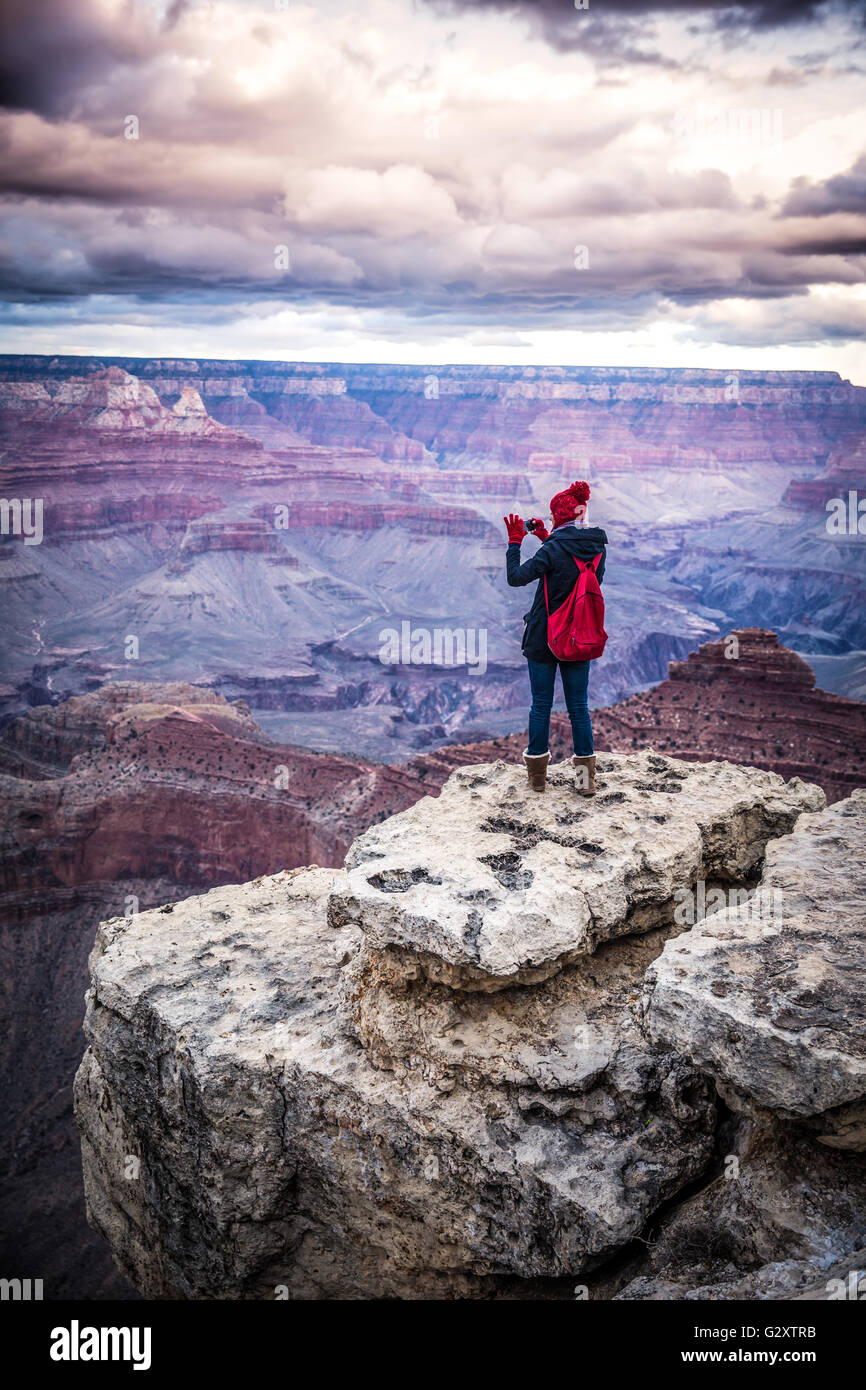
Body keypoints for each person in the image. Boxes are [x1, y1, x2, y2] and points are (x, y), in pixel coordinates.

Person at [504, 480, 607, 795]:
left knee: (541, 704)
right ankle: (585, 783)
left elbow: (516, 578)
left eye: (551, 517)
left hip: (544, 638)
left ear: (559, 518)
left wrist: (515, 542)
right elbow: (574, 571)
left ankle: (537, 781)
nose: (548, 521)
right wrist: (547, 538)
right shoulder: (596, 548)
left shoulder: (552, 550)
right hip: (579, 636)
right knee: (578, 705)